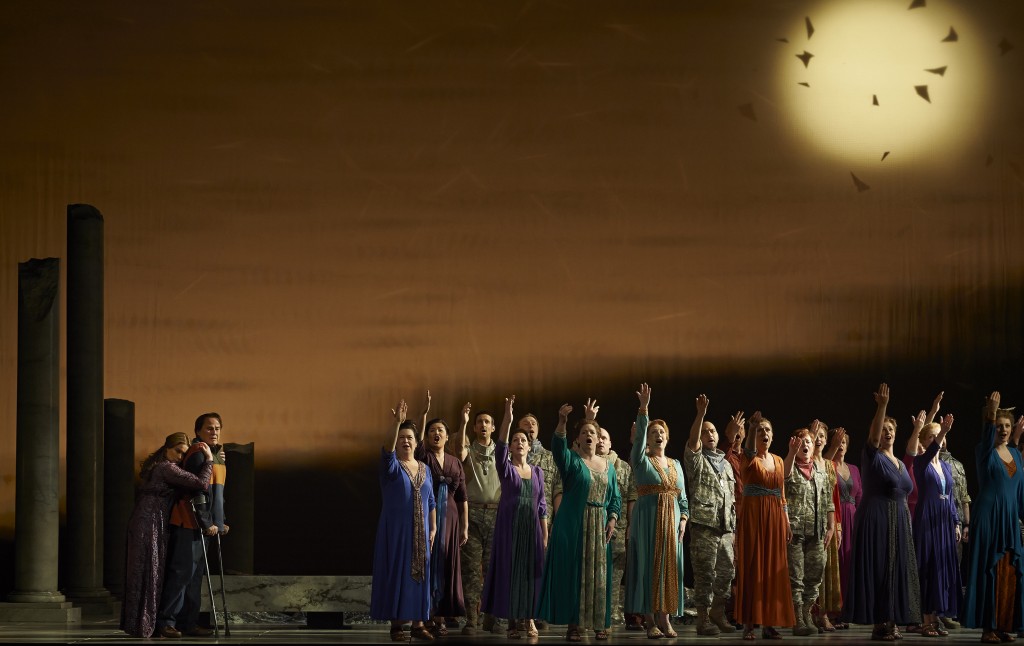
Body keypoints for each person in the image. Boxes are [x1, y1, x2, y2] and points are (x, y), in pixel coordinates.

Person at [841, 383, 921, 641]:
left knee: (897, 568)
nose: (886, 432)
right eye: (883, 428)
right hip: (876, 517)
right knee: (878, 567)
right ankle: (882, 621)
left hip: (899, 519)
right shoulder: (872, 456)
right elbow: (874, 438)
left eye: (891, 429)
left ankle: (893, 618)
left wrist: (920, 427)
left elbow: (912, 449)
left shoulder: (899, 462)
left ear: (896, 434)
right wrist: (882, 406)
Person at [537, 401, 621, 642]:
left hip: (599, 525)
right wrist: (562, 422)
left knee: (598, 575)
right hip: (576, 524)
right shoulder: (572, 461)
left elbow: (615, 497)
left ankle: (599, 623)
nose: (588, 436)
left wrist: (613, 518)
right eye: (583, 432)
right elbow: (558, 448)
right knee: (577, 574)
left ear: (598, 439)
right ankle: (574, 625)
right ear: (578, 438)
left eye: (592, 433)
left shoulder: (609, 467)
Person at [120, 433, 213, 638]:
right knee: (148, 570)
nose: (180, 457)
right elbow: (201, 484)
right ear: (167, 449)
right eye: (177, 451)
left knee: (149, 570)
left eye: (183, 453)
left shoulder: (164, 466)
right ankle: (146, 624)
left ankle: (144, 623)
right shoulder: (166, 467)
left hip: (152, 520)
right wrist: (209, 460)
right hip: (150, 521)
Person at [625, 384, 689, 639]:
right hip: (648, 520)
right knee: (648, 565)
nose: (658, 434)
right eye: (653, 432)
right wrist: (644, 410)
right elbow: (639, 437)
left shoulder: (675, 464)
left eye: (661, 432)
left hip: (672, 523)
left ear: (667, 437)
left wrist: (683, 519)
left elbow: (682, 496)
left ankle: (666, 617)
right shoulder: (641, 460)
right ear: (647, 439)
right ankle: (650, 619)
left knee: (669, 568)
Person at [156, 413, 229, 638]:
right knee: (182, 573)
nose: (214, 432)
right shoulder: (199, 453)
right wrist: (207, 522)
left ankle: (188, 622)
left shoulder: (215, 455)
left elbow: (218, 494)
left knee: (195, 576)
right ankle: (166, 622)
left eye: (217, 428)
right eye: (209, 428)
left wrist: (220, 521)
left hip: (205, 525)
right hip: (190, 522)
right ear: (198, 431)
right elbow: (198, 491)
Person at [481, 395, 548, 638]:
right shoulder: (506, 468)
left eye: (523, 440)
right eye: (515, 440)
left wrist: (544, 534)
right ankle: (511, 621)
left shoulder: (538, 472)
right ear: (511, 447)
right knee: (511, 571)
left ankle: (528, 619)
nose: (519, 442)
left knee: (530, 572)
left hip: (532, 528)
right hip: (509, 527)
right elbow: (499, 446)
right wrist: (508, 419)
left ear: (530, 447)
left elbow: (541, 505)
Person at [370, 399, 437, 642]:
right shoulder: (391, 466)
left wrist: (433, 527)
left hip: (422, 530)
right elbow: (386, 450)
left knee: (422, 574)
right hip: (396, 532)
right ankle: (397, 625)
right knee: (398, 572)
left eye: (409, 437)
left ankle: (418, 624)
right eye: (401, 437)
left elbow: (430, 501)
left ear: (417, 442)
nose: (405, 441)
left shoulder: (424, 468)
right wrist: (397, 423)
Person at [962, 392, 1024, 643]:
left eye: (1007, 426)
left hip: (1008, 518)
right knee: (989, 570)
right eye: (999, 426)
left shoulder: (1015, 455)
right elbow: (988, 435)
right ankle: (988, 627)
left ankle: (1003, 624)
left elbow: (1016, 487)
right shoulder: (984, 451)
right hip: (989, 516)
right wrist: (991, 411)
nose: (1004, 429)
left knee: (1008, 570)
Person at [734, 410, 795, 640]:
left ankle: (770, 623)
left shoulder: (778, 460)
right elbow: (748, 448)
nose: (764, 433)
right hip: (753, 516)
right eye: (761, 431)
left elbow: (782, 493)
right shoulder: (749, 458)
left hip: (775, 518)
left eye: (767, 430)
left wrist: (786, 521)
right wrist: (751, 427)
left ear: (773, 435)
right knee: (752, 567)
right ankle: (750, 624)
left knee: (772, 569)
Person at [682, 394, 738, 636]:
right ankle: (703, 619)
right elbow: (693, 442)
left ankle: (718, 612)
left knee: (727, 574)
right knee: (705, 574)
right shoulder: (695, 459)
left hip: (725, 528)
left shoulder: (726, 464)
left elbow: (732, 498)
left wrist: (733, 529)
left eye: (713, 431)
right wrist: (700, 415)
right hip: (704, 525)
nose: (711, 434)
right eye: (706, 432)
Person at [416, 392, 469, 637]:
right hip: (428, 515)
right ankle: (425, 614)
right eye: (432, 430)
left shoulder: (455, 462)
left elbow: (462, 497)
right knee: (428, 562)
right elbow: (415, 443)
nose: (436, 434)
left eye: (440, 430)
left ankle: (441, 615)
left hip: (452, 519)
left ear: (448, 436)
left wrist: (466, 527)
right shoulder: (423, 457)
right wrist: (424, 413)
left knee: (447, 563)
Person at [907, 410, 962, 637]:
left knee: (942, 567)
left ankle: (937, 616)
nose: (937, 440)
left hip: (944, 520)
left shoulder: (947, 467)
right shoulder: (921, 463)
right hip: (927, 517)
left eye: (939, 436)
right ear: (925, 441)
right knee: (928, 566)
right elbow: (930, 451)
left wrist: (956, 522)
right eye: (932, 437)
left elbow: (949, 495)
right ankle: (926, 619)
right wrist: (938, 432)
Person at [450, 402, 503, 635]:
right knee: (471, 570)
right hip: (471, 514)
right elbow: (459, 448)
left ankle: (493, 618)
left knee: (493, 569)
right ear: (474, 428)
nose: (483, 425)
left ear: (493, 428)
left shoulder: (503, 453)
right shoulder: (468, 451)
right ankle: (472, 619)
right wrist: (462, 421)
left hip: (496, 513)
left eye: (487, 422)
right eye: (479, 422)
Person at [783, 424, 836, 637]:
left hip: (817, 532)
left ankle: (806, 614)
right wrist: (791, 452)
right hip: (795, 532)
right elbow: (782, 486)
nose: (805, 444)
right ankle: (798, 619)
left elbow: (829, 501)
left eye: (808, 441)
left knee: (814, 576)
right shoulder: (789, 466)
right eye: (801, 441)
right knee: (796, 577)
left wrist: (831, 527)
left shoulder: (821, 472)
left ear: (814, 446)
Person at [596, 424, 635, 629]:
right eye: (598, 437)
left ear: (610, 443)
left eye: (605, 437)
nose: (601, 440)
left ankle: (609, 616)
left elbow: (630, 498)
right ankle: (590, 616)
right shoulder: (586, 463)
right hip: (592, 526)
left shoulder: (623, 467)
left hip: (617, 530)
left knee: (614, 576)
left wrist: (629, 525)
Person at [825, 425, 861, 630]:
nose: (841, 446)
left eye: (844, 442)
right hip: (836, 516)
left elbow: (860, 496)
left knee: (850, 563)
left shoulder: (854, 469)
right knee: (836, 563)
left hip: (854, 518)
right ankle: (833, 611)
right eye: (838, 443)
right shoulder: (829, 465)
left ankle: (848, 609)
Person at [811, 421, 844, 633]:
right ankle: (810, 614)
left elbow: (834, 497)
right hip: (811, 521)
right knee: (813, 570)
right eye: (817, 436)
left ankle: (823, 614)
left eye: (823, 435)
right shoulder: (805, 461)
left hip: (829, 521)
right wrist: (810, 434)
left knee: (827, 570)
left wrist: (837, 525)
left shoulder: (829, 465)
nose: (819, 439)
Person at [938, 433, 971, 629]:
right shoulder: (928, 462)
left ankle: (950, 609)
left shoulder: (958, 465)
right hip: (938, 520)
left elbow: (965, 496)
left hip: (955, 523)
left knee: (953, 567)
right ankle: (936, 610)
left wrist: (966, 523)